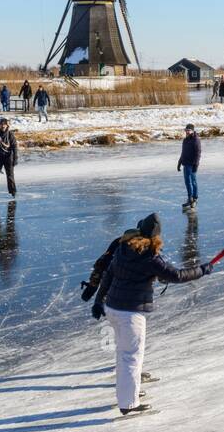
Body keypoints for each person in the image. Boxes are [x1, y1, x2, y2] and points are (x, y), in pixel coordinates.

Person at [91, 213, 213, 415]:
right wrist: (202, 270)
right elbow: (177, 275)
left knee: (123, 354)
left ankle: (128, 394)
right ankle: (128, 404)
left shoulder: (124, 248)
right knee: (131, 356)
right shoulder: (149, 257)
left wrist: (98, 300)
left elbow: (108, 275)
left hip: (113, 308)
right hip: (130, 313)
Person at [0, 117, 18, 197]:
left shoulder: (10, 134)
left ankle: (13, 192)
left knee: (10, 175)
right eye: (1, 124)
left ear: (7, 125)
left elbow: (14, 147)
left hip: (8, 157)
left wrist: (15, 158)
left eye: (4, 124)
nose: (2, 126)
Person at [178, 123, 202, 208]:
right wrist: (179, 162)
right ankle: (190, 199)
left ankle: (195, 198)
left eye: (189, 130)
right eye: (186, 130)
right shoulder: (185, 140)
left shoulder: (196, 140)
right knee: (187, 182)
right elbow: (183, 152)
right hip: (186, 164)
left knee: (193, 182)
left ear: (192, 130)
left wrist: (196, 165)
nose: (187, 132)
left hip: (192, 164)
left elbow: (198, 153)